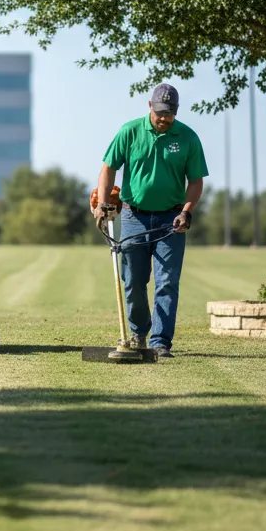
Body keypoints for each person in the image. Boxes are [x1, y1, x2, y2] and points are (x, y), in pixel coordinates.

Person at [93, 84, 208, 357]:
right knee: (133, 280)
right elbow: (108, 168)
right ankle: (138, 332)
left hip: (172, 219)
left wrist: (187, 211)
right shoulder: (130, 131)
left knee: (167, 281)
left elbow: (195, 181)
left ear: (176, 111)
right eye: (159, 113)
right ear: (149, 107)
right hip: (134, 216)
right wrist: (103, 203)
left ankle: (160, 342)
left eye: (169, 113)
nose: (163, 118)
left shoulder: (188, 138)